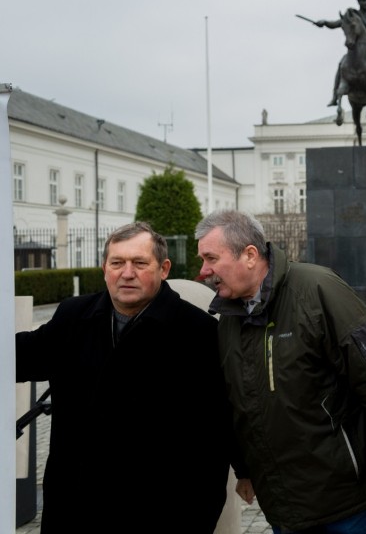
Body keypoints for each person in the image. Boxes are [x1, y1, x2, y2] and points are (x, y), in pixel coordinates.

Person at [16, 222, 229, 532]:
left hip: (157, 514)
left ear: (164, 268)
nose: (127, 273)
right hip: (75, 510)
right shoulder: (73, 316)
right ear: (105, 268)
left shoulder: (198, 333)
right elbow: (21, 356)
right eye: (117, 263)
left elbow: (213, 443)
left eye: (140, 263)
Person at [195, 209, 366, 533]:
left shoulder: (318, 289)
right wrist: (244, 468)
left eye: (211, 258)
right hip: (285, 507)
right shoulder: (228, 318)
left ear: (249, 255)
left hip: (352, 503)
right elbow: (237, 403)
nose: (204, 271)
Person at [315, 0, 366, 107]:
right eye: (362, 0)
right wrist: (324, 22)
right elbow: (335, 24)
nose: (365, 2)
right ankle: (334, 96)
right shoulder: (352, 16)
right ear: (358, 2)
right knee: (341, 65)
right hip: (355, 51)